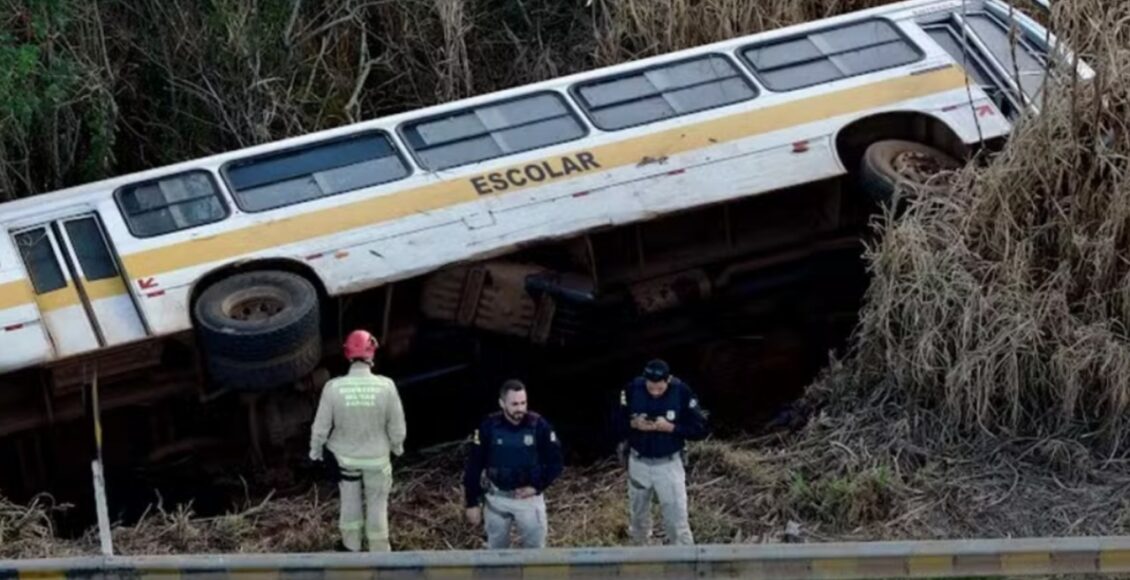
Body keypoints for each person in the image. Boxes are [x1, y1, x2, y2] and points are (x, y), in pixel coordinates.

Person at [309, 329, 407, 552]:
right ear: (372, 352)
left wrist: (315, 452)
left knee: (350, 504)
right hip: (377, 459)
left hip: (345, 460)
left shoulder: (333, 387)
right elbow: (397, 425)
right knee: (377, 506)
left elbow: (321, 428)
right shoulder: (386, 386)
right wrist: (396, 448)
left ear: (347, 354)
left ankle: (351, 547)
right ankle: (380, 551)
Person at [616, 359, 708, 546]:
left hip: (668, 464)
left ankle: (684, 563)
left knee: (676, 520)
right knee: (638, 519)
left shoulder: (682, 392)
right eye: (651, 388)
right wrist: (633, 424)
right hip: (639, 461)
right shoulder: (632, 389)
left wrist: (672, 428)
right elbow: (614, 423)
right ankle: (640, 559)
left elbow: (700, 428)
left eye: (660, 388)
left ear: (668, 380)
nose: (655, 392)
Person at [463, 380, 563, 548]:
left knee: (536, 554)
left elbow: (556, 462)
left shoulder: (539, 426)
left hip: (529, 500)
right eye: (515, 404)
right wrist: (471, 502)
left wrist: (537, 486)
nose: (520, 409)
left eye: (523, 403)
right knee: (496, 553)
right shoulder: (489, 426)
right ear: (502, 403)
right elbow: (474, 464)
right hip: (497, 499)